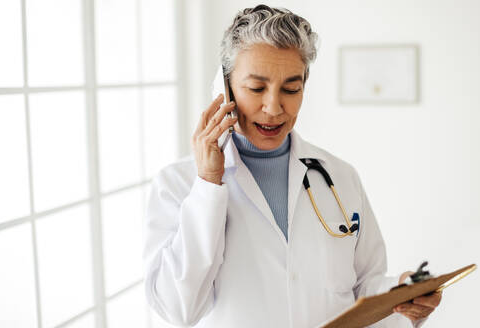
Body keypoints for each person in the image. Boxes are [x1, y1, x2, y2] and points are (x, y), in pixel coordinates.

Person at [143, 5, 441, 328]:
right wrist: (208, 184)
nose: (273, 107)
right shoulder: (178, 185)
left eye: (291, 88)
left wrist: (401, 294)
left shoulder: (340, 177)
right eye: (256, 88)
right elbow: (177, 308)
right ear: (224, 88)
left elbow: (363, 288)